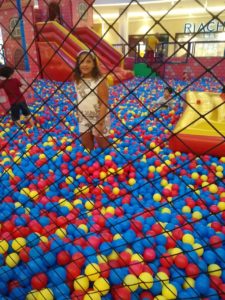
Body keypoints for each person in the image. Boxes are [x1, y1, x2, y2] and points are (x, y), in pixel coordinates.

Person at [74, 50, 111, 150]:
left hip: (99, 117)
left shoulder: (100, 80)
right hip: (84, 118)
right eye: (81, 62)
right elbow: (79, 98)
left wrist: (100, 123)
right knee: (87, 148)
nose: (85, 65)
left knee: (103, 147)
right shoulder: (78, 80)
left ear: (94, 64)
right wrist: (78, 113)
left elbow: (104, 103)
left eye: (88, 61)